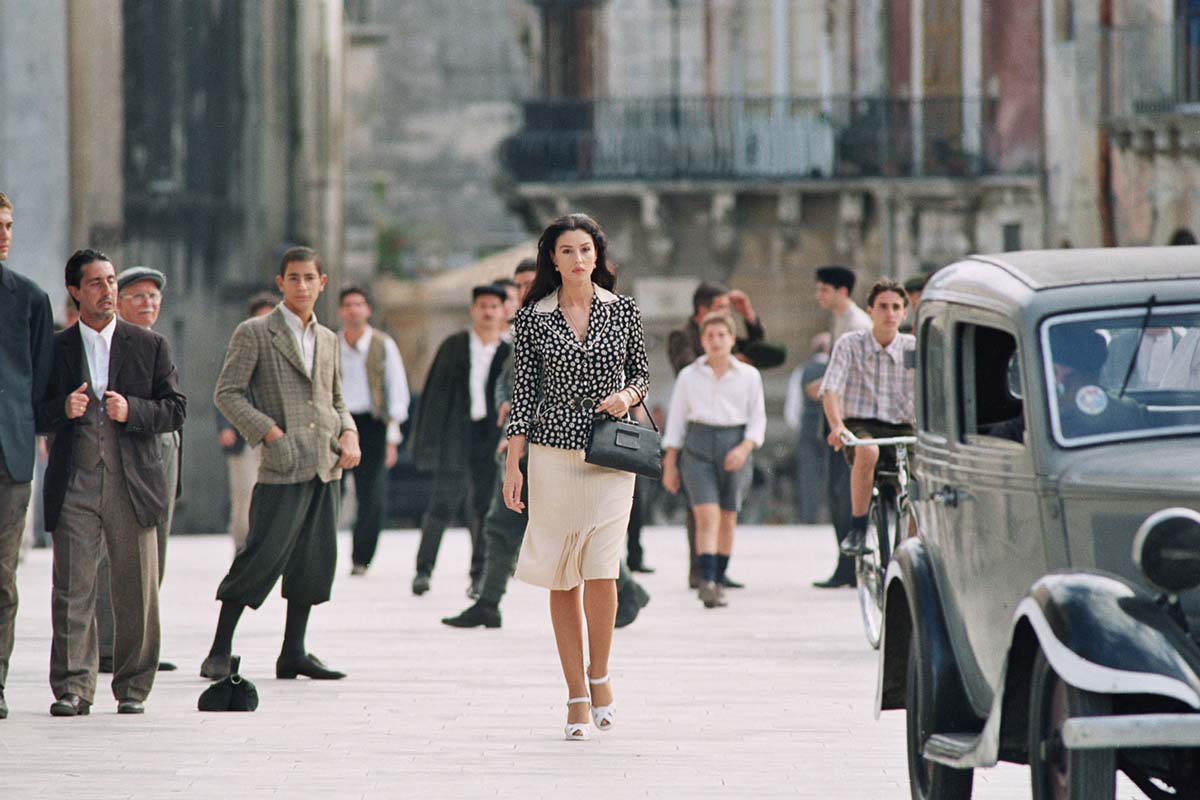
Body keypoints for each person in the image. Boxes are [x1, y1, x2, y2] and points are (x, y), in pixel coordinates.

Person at [441, 259, 653, 631]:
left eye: (529, 282)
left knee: (585, 528)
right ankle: (488, 600)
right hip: (527, 443)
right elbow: (510, 384)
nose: (524, 291)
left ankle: (626, 589)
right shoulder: (527, 326)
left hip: (571, 443)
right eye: (518, 286)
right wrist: (507, 414)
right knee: (502, 522)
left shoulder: (590, 317)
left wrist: (625, 397)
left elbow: (626, 372)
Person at [503, 213, 649, 741]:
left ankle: (601, 674)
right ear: (553, 259)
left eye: (585, 249)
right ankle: (575, 694)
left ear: (597, 254)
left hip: (611, 453)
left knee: (603, 568)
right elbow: (523, 396)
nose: (578, 259)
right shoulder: (533, 318)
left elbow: (643, 375)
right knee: (562, 571)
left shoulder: (623, 309)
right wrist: (512, 462)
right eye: (567, 251)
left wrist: (627, 397)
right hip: (552, 451)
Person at [37, 249, 186, 716]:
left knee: (136, 589)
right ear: (75, 292)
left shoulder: (149, 345)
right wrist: (63, 410)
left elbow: (176, 409)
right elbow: (32, 412)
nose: (108, 291)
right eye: (97, 283)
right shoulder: (55, 348)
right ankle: (72, 688)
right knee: (72, 588)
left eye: (112, 281)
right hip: (76, 480)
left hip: (133, 482)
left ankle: (134, 687)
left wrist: (134, 411)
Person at [202, 246, 360, 683]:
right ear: (281, 283)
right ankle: (219, 649)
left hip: (325, 464)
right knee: (259, 556)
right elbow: (227, 393)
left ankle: (294, 652)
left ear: (322, 282)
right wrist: (270, 432)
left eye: (310, 278)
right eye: (294, 278)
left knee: (314, 560)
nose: (302, 286)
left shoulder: (328, 338)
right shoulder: (255, 332)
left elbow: (337, 399)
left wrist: (350, 433)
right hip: (282, 464)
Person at [93, 266, 180, 675]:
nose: (148, 304)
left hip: (162, 449)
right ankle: (109, 645)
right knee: (116, 556)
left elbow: (174, 406)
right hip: (125, 455)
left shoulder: (157, 344)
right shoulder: (110, 345)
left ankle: (140, 645)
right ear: (120, 302)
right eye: (139, 297)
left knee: (154, 554)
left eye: (154, 297)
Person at [409, 285, 510, 598]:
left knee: (483, 507)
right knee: (442, 503)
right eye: (482, 305)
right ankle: (423, 571)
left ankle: (479, 575)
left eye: (494, 306)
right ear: (473, 310)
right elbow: (434, 396)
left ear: (503, 311)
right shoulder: (454, 346)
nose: (488, 311)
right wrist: (427, 442)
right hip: (456, 433)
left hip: (491, 437)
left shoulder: (510, 351)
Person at [661, 312, 765, 609]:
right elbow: (677, 422)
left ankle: (719, 578)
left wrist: (744, 449)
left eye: (722, 335)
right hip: (698, 446)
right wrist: (670, 463)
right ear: (702, 341)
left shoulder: (748, 376)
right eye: (710, 336)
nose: (716, 341)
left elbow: (757, 420)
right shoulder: (689, 376)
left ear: (732, 339)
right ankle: (705, 580)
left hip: (735, 445)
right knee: (706, 515)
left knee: (728, 517)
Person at [0, 191, 55, 720]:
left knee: (2, 576)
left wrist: (39, 433)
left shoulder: (30, 299)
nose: (5, 235)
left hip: (10, 457)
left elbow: (41, 380)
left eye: (10, 225)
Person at [819, 279, 915, 556]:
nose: (890, 313)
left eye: (896, 307)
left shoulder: (912, 348)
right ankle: (858, 528)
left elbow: (931, 391)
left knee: (922, 476)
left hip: (903, 427)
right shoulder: (851, 344)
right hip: (862, 424)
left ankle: (912, 545)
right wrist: (836, 426)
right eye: (883, 307)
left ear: (904, 313)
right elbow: (831, 388)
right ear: (870, 310)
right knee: (868, 451)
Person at [337, 285, 410, 575]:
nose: (353, 310)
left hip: (373, 423)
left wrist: (393, 437)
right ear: (341, 310)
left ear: (367, 309)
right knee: (330, 491)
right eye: (348, 305)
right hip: (338, 424)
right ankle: (321, 552)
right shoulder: (330, 343)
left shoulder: (383, 344)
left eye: (359, 304)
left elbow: (398, 391)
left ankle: (361, 558)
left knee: (372, 495)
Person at [811, 265, 872, 589]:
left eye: (824, 289)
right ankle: (845, 564)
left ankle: (851, 565)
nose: (819, 295)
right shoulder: (838, 321)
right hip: (835, 415)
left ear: (842, 291)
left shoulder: (857, 324)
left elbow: (859, 372)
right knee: (837, 493)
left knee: (845, 492)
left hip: (849, 419)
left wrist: (825, 384)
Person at [216, 293, 277, 554]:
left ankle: (268, 546)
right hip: (243, 433)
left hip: (276, 434)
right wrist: (225, 427)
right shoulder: (240, 347)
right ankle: (242, 543)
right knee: (244, 491)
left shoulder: (286, 351)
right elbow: (224, 390)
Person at [784, 332, 832, 523]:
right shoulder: (834, 369)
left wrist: (799, 426)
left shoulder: (802, 370)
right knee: (833, 473)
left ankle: (809, 516)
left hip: (808, 427)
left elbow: (793, 406)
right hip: (832, 427)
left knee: (808, 474)